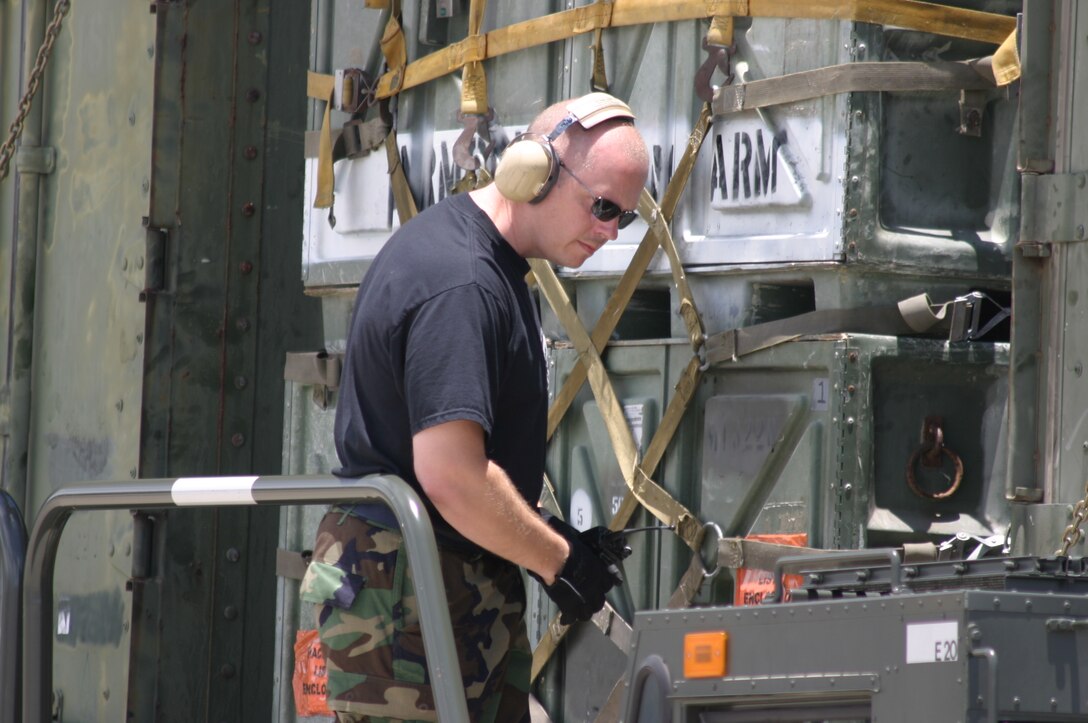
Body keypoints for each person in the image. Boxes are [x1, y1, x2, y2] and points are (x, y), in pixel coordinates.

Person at [300, 92, 651, 723]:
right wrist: (559, 562)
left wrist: (552, 539)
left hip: (447, 581)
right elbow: (451, 475)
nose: (607, 231)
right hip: (409, 592)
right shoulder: (461, 283)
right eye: (601, 206)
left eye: (622, 218)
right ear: (534, 171)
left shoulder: (489, 266)